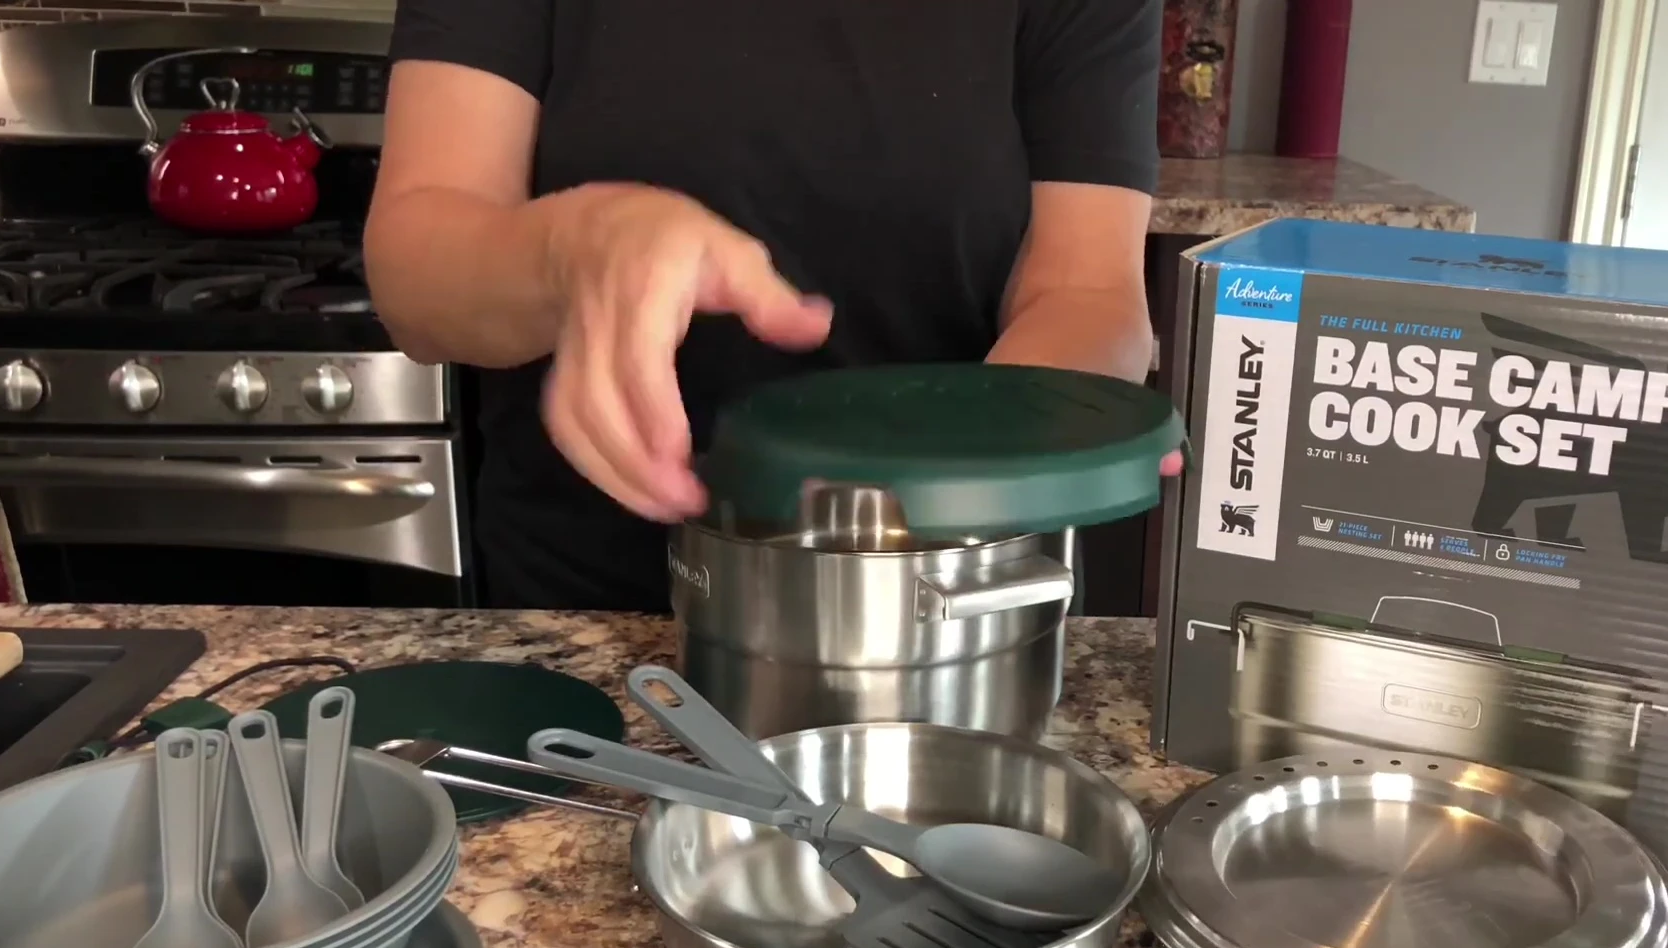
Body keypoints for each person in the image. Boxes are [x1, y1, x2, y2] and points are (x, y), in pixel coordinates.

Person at [365, 0, 1170, 612]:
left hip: (946, 609)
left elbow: (1088, 291)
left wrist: (1021, 458)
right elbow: (414, 280)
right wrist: (570, 248)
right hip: (591, 617)